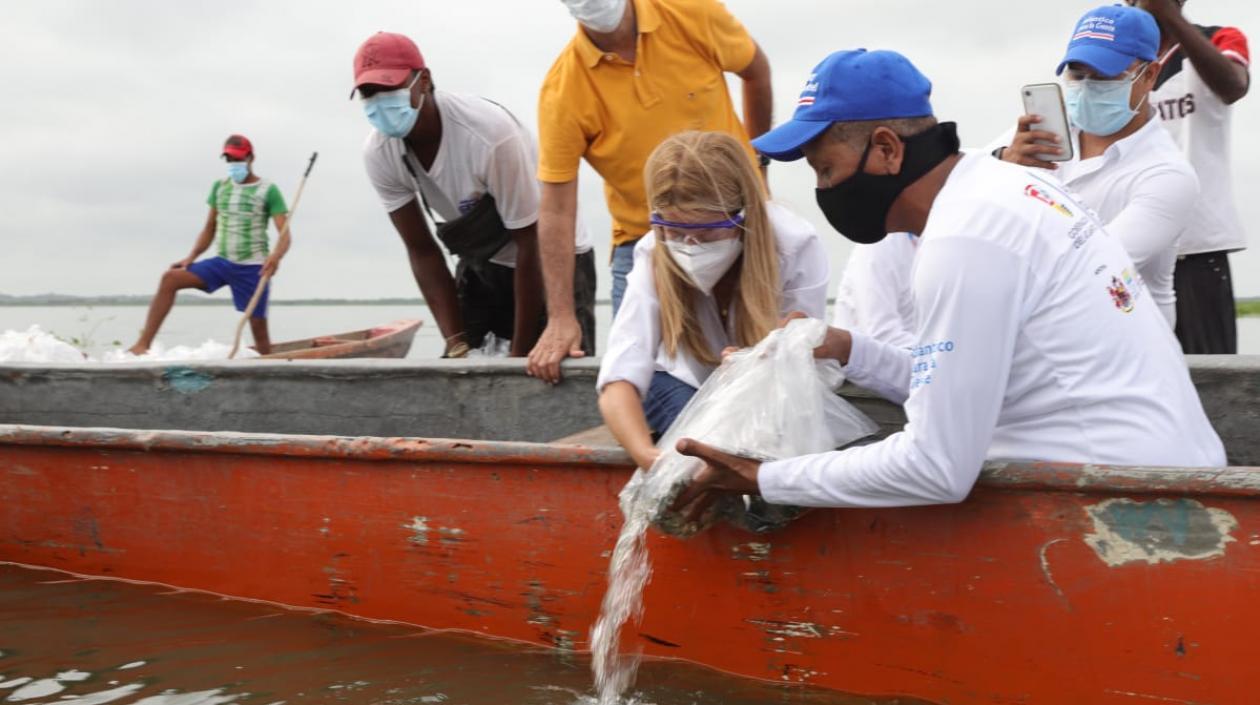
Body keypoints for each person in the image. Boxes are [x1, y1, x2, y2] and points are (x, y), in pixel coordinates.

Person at [669, 49, 1225, 514]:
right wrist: (849, 348)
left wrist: (765, 478)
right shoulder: (1000, 190)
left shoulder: (965, 239)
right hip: (1161, 473)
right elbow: (963, 379)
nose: (825, 188)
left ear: (886, 149)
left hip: (1127, 506)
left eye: (825, 169)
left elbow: (936, 468)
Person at [527, 0, 774, 383]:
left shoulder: (692, 13)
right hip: (646, 237)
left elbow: (756, 71)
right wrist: (561, 317)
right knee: (638, 373)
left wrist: (759, 167)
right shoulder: (563, 90)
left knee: (768, 352)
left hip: (736, 222)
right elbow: (557, 208)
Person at [352, 32, 596, 358]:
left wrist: (518, 358)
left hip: (551, 255)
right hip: (483, 260)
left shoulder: (489, 135)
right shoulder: (379, 152)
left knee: (548, 372)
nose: (380, 101)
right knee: (460, 374)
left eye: (390, 88)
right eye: (369, 93)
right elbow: (422, 250)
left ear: (423, 81)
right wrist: (456, 343)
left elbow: (530, 242)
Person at [597, 131, 828, 471]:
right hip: (678, 385)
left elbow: (799, 362)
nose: (689, 245)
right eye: (674, 232)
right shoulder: (651, 251)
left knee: (762, 450)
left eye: (707, 233)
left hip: (767, 391)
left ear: (743, 215)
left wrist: (759, 361)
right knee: (701, 444)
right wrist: (649, 459)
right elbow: (619, 378)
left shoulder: (795, 245)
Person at [998, 5, 1199, 327]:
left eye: (1105, 76)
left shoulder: (1167, 175)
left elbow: (1089, 269)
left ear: (1149, 75)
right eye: (1077, 74)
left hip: (1129, 357)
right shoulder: (1039, 135)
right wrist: (1002, 164)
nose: (1087, 86)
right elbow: (956, 193)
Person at [1126, 0, 1250, 352]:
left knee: (1210, 373)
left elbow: (1233, 86)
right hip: (1134, 244)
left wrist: (1169, 16)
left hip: (1198, 246)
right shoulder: (1120, 58)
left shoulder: (1220, 38)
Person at [128, 135, 289, 356]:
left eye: (238, 159)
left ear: (251, 158)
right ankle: (142, 345)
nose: (234, 165)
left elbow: (285, 235)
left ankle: (268, 368)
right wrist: (191, 257)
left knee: (260, 334)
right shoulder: (219, 188)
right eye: (230, 160)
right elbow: (209, 229)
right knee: (170, 278)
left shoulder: (268, 190)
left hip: (253, 268)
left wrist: (275, 257)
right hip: (222, 263)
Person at [831, 234, 918, 348]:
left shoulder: (930, 238)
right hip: (872, 361)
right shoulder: (879, 245)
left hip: (918, 357)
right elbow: (880, 335)